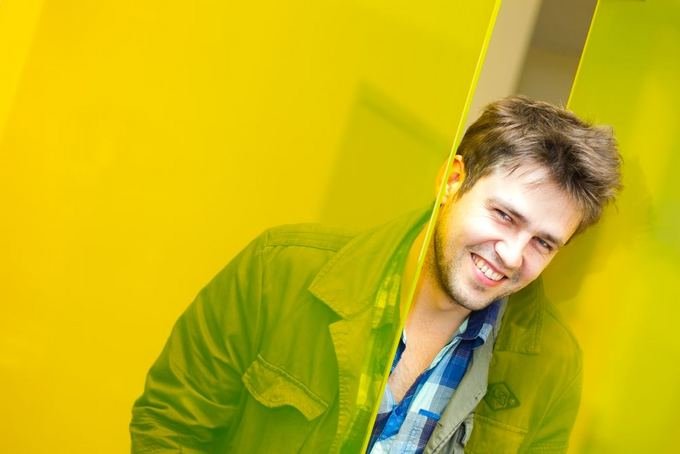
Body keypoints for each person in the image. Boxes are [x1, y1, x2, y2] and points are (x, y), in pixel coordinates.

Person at [130, 96, 621, 453]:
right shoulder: (279, 269)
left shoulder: (552, 367)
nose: (513, 255)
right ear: (452, 180)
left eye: (542, 243)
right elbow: (168, 428)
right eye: (504, 216)